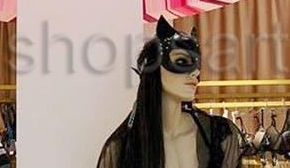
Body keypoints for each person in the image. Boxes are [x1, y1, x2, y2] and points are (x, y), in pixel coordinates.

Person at [97, 17, 243, 168]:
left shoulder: (220, 135)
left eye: (197, 64)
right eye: (181, 62)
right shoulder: (121, 148)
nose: (196, 72)